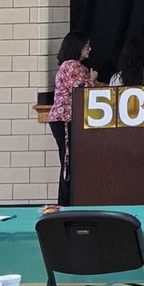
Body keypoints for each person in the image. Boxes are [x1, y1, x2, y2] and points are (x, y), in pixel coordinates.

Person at [47, 31, 95, 206]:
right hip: (66, 119)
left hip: (65, 118)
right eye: (86, 45)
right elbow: (80, 90)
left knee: (70, 160)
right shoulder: (72, 66)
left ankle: (69, 201)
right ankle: (66, 202)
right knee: (68, 160)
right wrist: (92, 79)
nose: (89, 49)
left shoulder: (73, 66)